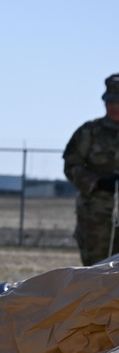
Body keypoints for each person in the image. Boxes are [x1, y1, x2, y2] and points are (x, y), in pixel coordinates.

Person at [63, 74, 119, 265]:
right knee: (96, 274)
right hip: (95, 217)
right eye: (110, 102)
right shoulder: (89, 132)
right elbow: (71, 164)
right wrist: (97, 183)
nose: (114, 107)